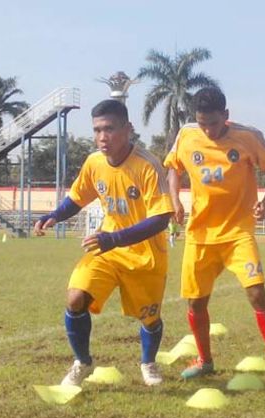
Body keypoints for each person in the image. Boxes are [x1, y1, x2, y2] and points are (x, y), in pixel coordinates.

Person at [34, 100, 173, 387]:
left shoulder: (148, 166)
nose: (102, 137)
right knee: (75, 298)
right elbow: (78, 196)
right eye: (97, 130)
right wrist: (55, 215)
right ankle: (82, 362)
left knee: (149, 319)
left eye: (109, 129)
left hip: (145, 253)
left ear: (128, 129)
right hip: (106, 249)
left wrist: (115, 239)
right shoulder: (94, 162)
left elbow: (161, 218)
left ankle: (148, 362)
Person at [163, 87, 265, 385]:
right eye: (202, 123)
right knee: (196, 303)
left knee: (257, 293)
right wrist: (175, 200)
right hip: (199, 234)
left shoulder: (248, 137)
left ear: (225, 115)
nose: (207, 130)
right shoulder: (187, 135)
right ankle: (204, 360)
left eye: (213, 122)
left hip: (238, 233)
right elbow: (174, 168)